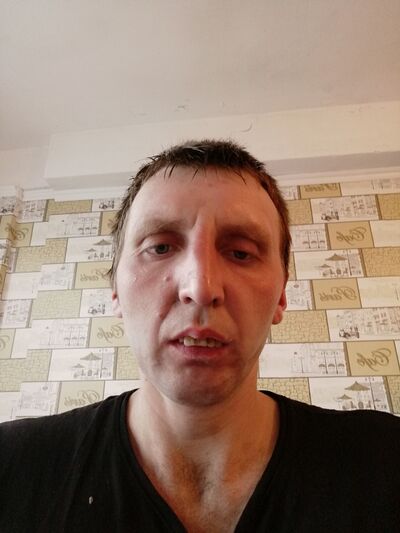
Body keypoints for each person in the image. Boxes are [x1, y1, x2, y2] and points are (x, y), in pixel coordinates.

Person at [0, 139, 399, 533]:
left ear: (281, 295)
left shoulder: (385, 458)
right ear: (115, 291)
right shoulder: (12, 466)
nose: (201, 287)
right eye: (160, 247)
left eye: (240, 253)